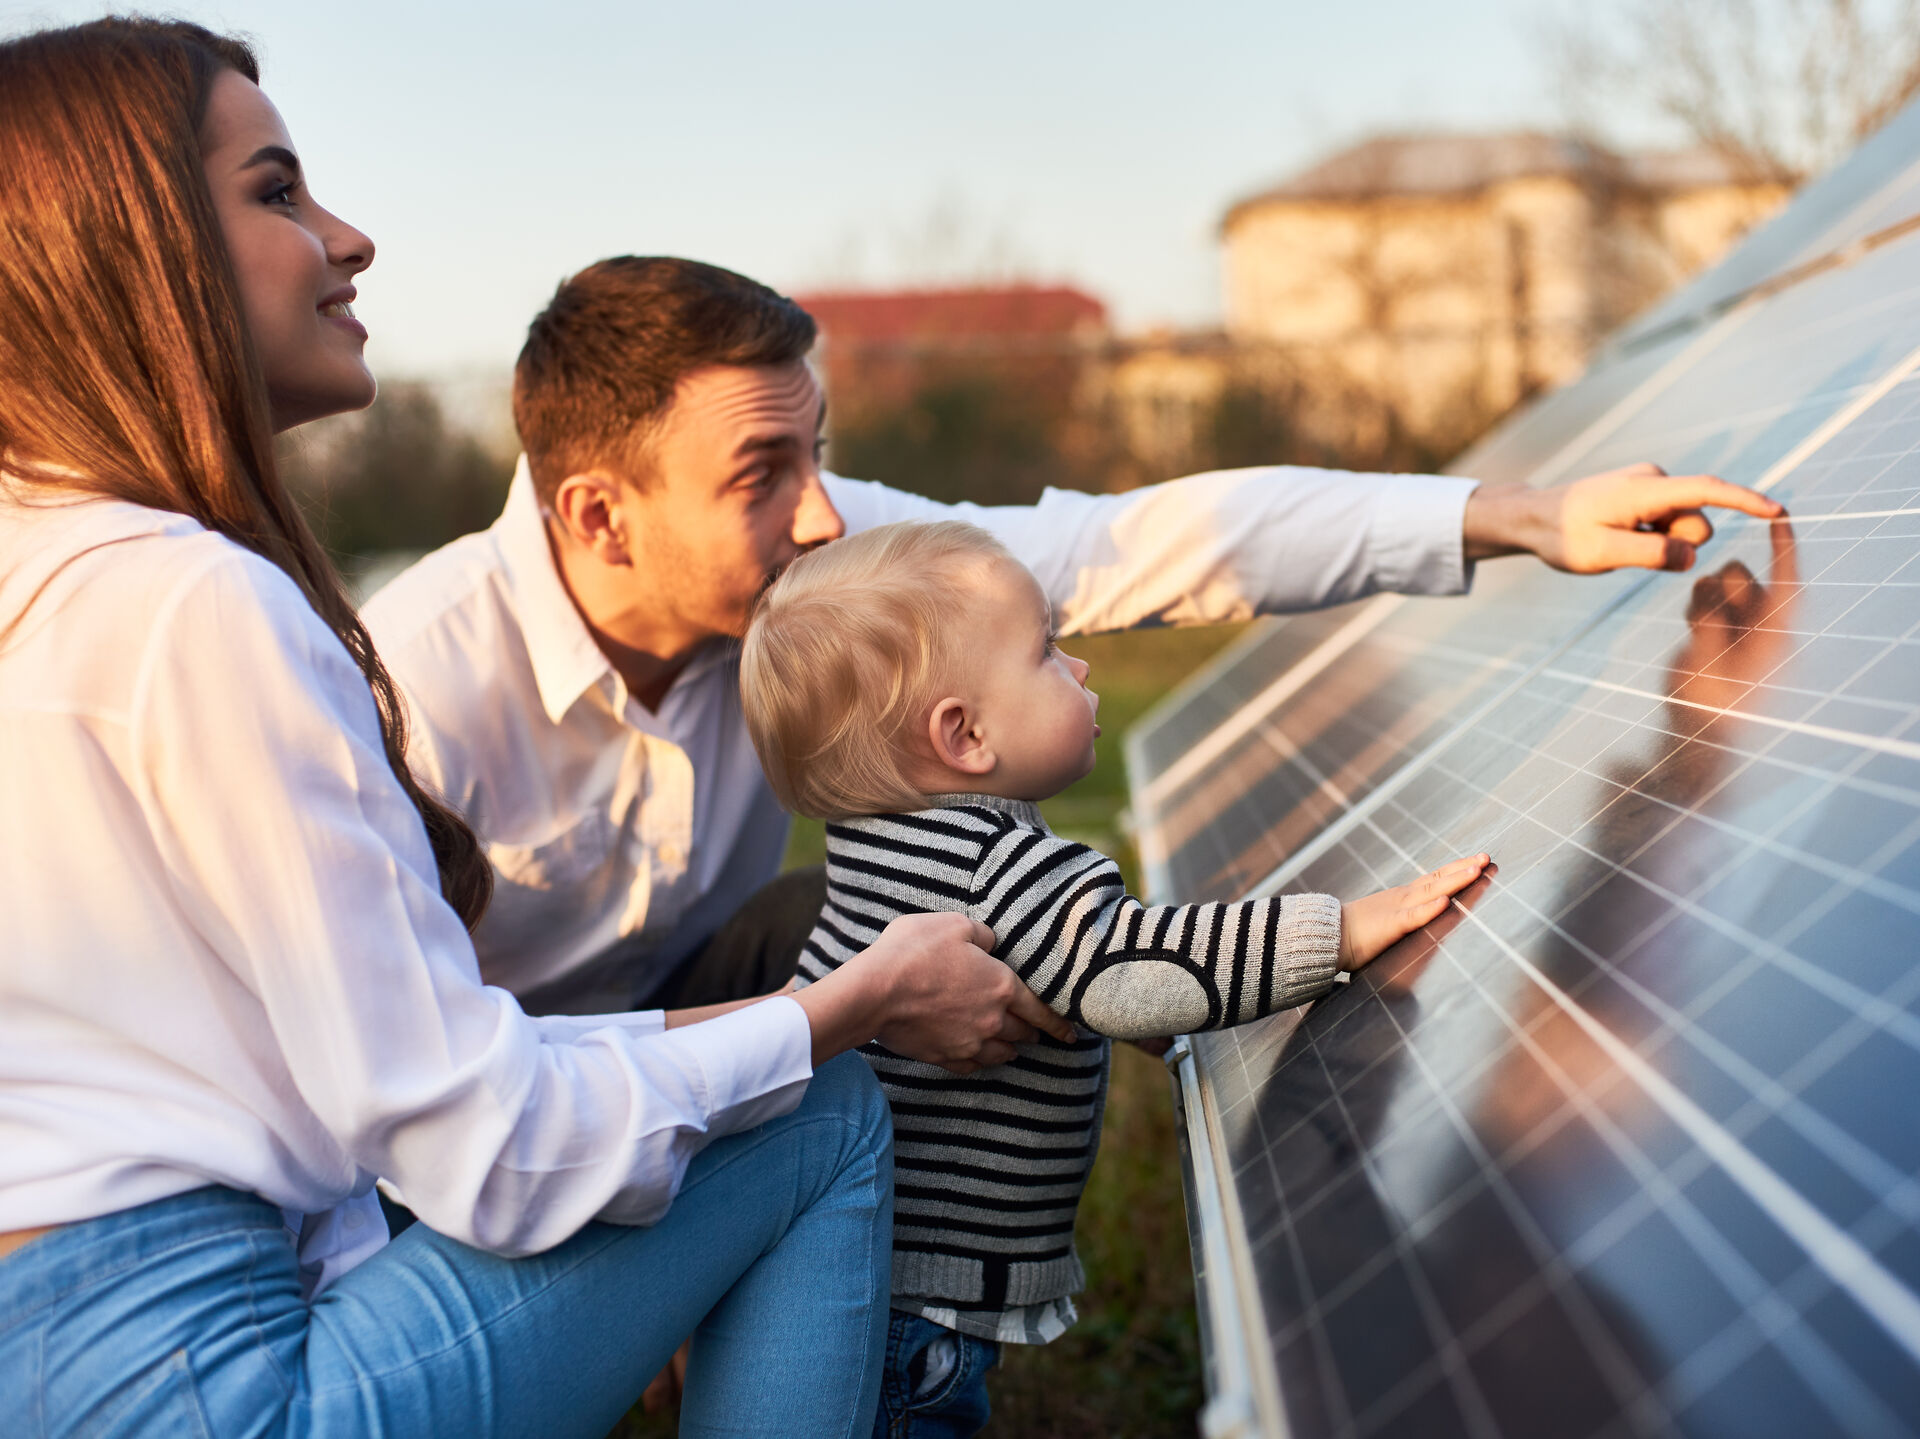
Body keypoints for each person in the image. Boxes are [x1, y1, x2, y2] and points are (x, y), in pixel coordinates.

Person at [0, 20, 1074, 1438]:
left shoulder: (46, 571)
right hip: (204, 1382)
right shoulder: (199, 604)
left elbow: (420, 1093)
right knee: (821, 1108)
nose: (350, 235)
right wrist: (846, 1008)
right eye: (276, 192)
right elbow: (485, 1148)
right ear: (132, 250)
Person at [363, 256, 1785, 1025]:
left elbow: (1132, 543)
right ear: (600, 516)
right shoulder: (410, 691)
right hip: (479, 1116)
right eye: (760, 477)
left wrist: (1519, 513)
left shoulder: (823, 558)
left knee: (934, 916)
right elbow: (394, 1080)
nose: (819, 523)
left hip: (697, 1013)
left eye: (819, 456)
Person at [737, 519, 1491, 1435]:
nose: (1083, 669)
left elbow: (1064, 974)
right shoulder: (1001, 866)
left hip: (851, 1268)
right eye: (1049, 651)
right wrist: (1344, 929)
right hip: (915, 1312)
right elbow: (1128, 965)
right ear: (964, 735)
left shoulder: (873, 850)